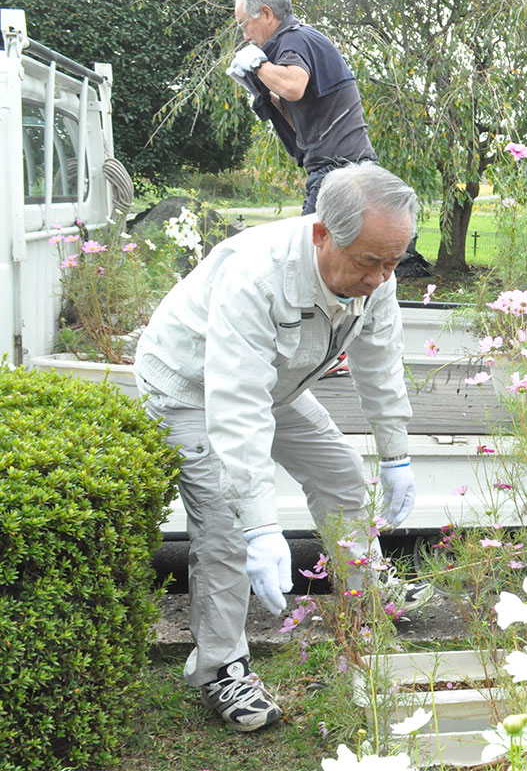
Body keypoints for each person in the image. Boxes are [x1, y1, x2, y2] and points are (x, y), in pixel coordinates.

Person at [134, 163, 419, 732]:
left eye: (395, 262)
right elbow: (235, 404)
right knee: (225, 526)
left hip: (275, 382)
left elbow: (380, 364)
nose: (383, 278)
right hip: (190, 386)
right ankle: (222, 668)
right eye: (370, 261)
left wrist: (396, 454)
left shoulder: (375, 274)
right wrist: (261, 527)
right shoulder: (256, 274)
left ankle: (364, 620)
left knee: (341, 474)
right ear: (322, 234)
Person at [227, 0, 376, 216]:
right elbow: (297, 119)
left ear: (266, 13)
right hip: (349, 167)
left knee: (310, 249)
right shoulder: (296, 41)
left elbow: (293, 87)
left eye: (244, 24)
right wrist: (258, 90)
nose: (245, 36)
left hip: (339, 171)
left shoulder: (295, 38)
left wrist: (257, 65)